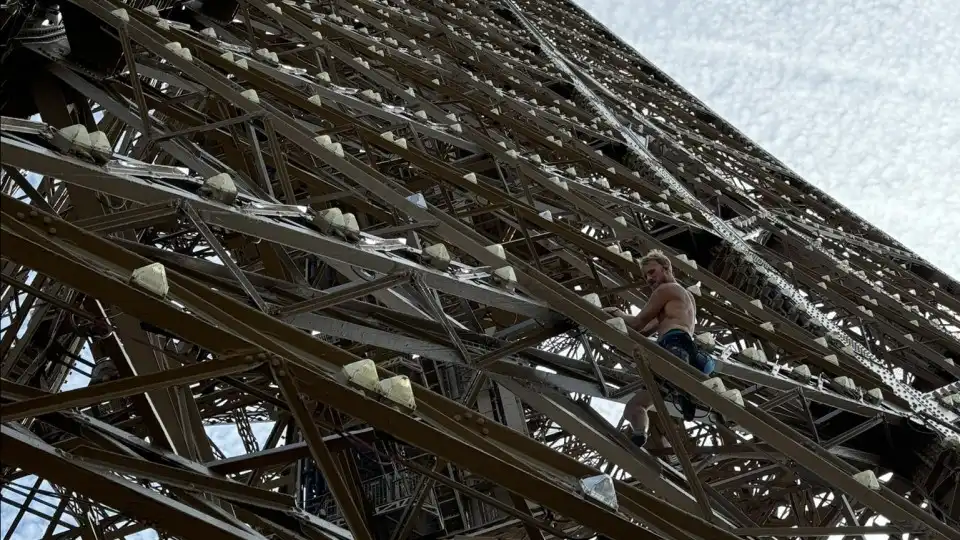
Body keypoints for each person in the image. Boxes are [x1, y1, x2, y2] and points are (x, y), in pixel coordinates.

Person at [604, 249, 709, 448]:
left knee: (644, 399)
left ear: (666, 267)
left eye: (652, 272)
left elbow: (636, 324)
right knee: (634, 407)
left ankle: (681, 390)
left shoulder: (664, 290)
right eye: (645, 276)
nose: (649, 279)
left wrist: (615, 313)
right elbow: (647, 329)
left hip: (672, 346)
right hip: (686, 351)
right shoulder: (687, 298)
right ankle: (639, 435)